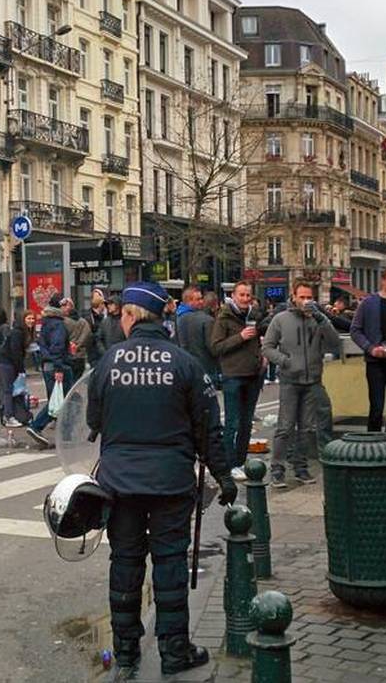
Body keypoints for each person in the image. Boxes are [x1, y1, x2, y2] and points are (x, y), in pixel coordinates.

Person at [86, 281, 236, 680]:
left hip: (119, 484)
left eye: (121, 315)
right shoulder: (185, 363)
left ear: (133, 316)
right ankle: (174, 652)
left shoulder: (108, 363)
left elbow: (91, 422)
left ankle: (127, 654)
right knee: (170, 566)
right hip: (170, 483)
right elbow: (209, 429)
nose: (119, 321)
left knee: (126, 564)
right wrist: (223, 475)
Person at [262, 281, 342, 488]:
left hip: (312, 380)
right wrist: (284, 361)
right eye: (303, 297)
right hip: (290, 380)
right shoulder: (281, 319)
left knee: (306, 428)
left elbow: (334, 342)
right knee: (285, 427)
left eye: (309, 297)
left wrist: (321, 317)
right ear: (294, 297)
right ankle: (277, 469)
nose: (306, 301)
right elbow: (268, 347)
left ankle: (301, 467)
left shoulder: (317, 319)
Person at [210, 280, 265, 481]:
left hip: (252, 374)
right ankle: (230, 464)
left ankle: (241, 461)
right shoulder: (223, 317)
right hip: (233, 375)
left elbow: (260, 341)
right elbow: (215, 347)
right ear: (233, 296)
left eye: (248, 295)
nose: (244, 299)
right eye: (241, 295)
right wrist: (240, 337)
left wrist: (262, 356)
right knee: (232, 422)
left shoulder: (254, 315)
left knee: (246, 422)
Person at [349, 267, 386, 435]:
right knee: (376, 408)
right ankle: (372, 446)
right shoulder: (368, 303)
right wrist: (370, 348)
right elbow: (355, 330)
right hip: (376, 363)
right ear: (383, 281)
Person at [26, 293, 74, 447]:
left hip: (48, 365)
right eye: (65, 305)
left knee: (58, 399)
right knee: (62, 401)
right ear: (59, 307)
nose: (68, 308)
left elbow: (43, 345)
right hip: (58, 366)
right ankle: (37, 426)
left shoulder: (46, 322)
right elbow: (57, 347)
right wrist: (59, 367)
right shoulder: (58, 324)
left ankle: (65, 434)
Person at [176, 286, 219, 383]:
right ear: (189, 301)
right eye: (198, 299)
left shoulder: (175, 318)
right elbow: (213, 347)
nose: (202, 301)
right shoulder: (207, 320)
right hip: (204, 369)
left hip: (181, 368)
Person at [61, 296, 94, 381]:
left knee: (68, 383)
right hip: (80, 356)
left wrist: (71, 345)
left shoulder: (63, 322)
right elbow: (88, 335)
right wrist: (78, 345)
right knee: (76, 382)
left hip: (67, 356)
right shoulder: (83, 321)